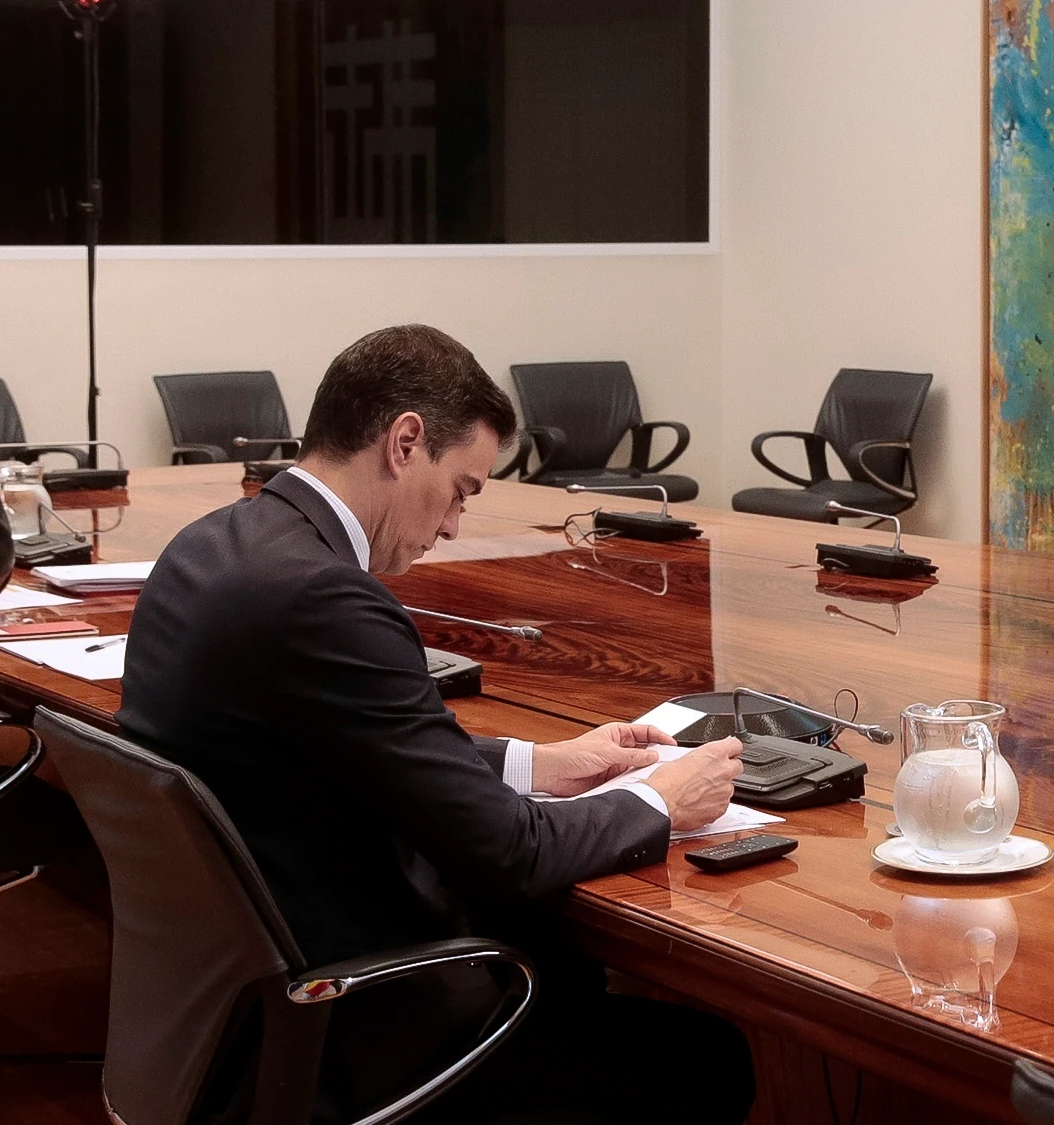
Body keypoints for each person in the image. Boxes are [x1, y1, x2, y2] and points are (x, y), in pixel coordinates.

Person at [116, 325, 756, 1125]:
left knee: (563, 968)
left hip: (234, 1009)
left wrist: (541, 762)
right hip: (358, 1028)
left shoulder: (213, 546)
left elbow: (333, 747)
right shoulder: (325, 597)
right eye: (462, 489)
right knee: (705, 1058)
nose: (453, 524)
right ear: (405, 441)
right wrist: (664, 799)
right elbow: (510, 853)